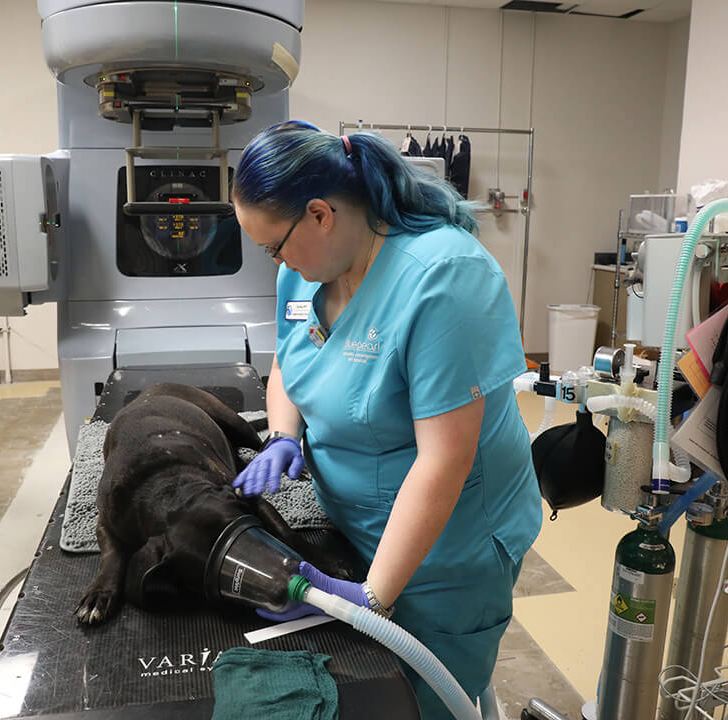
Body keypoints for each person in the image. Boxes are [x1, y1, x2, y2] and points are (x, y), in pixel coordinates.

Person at [231, 121, 542, 720]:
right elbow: (290, 361)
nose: (275, 259)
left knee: (424, 701)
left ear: (320, 214)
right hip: (353, 525)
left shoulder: (443, 279)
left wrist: (372, 597)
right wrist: (283, 434)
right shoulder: (304, 268)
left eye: (274, 245)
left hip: (446, 551)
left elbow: (443, 458)